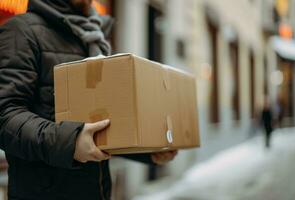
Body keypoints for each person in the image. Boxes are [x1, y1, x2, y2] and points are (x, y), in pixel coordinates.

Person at [0, 0, 177, 199]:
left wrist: (148, 152)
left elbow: (102, 123)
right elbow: (5, 115)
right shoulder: (20, 31)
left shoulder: (94, 36)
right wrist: (71, 141)